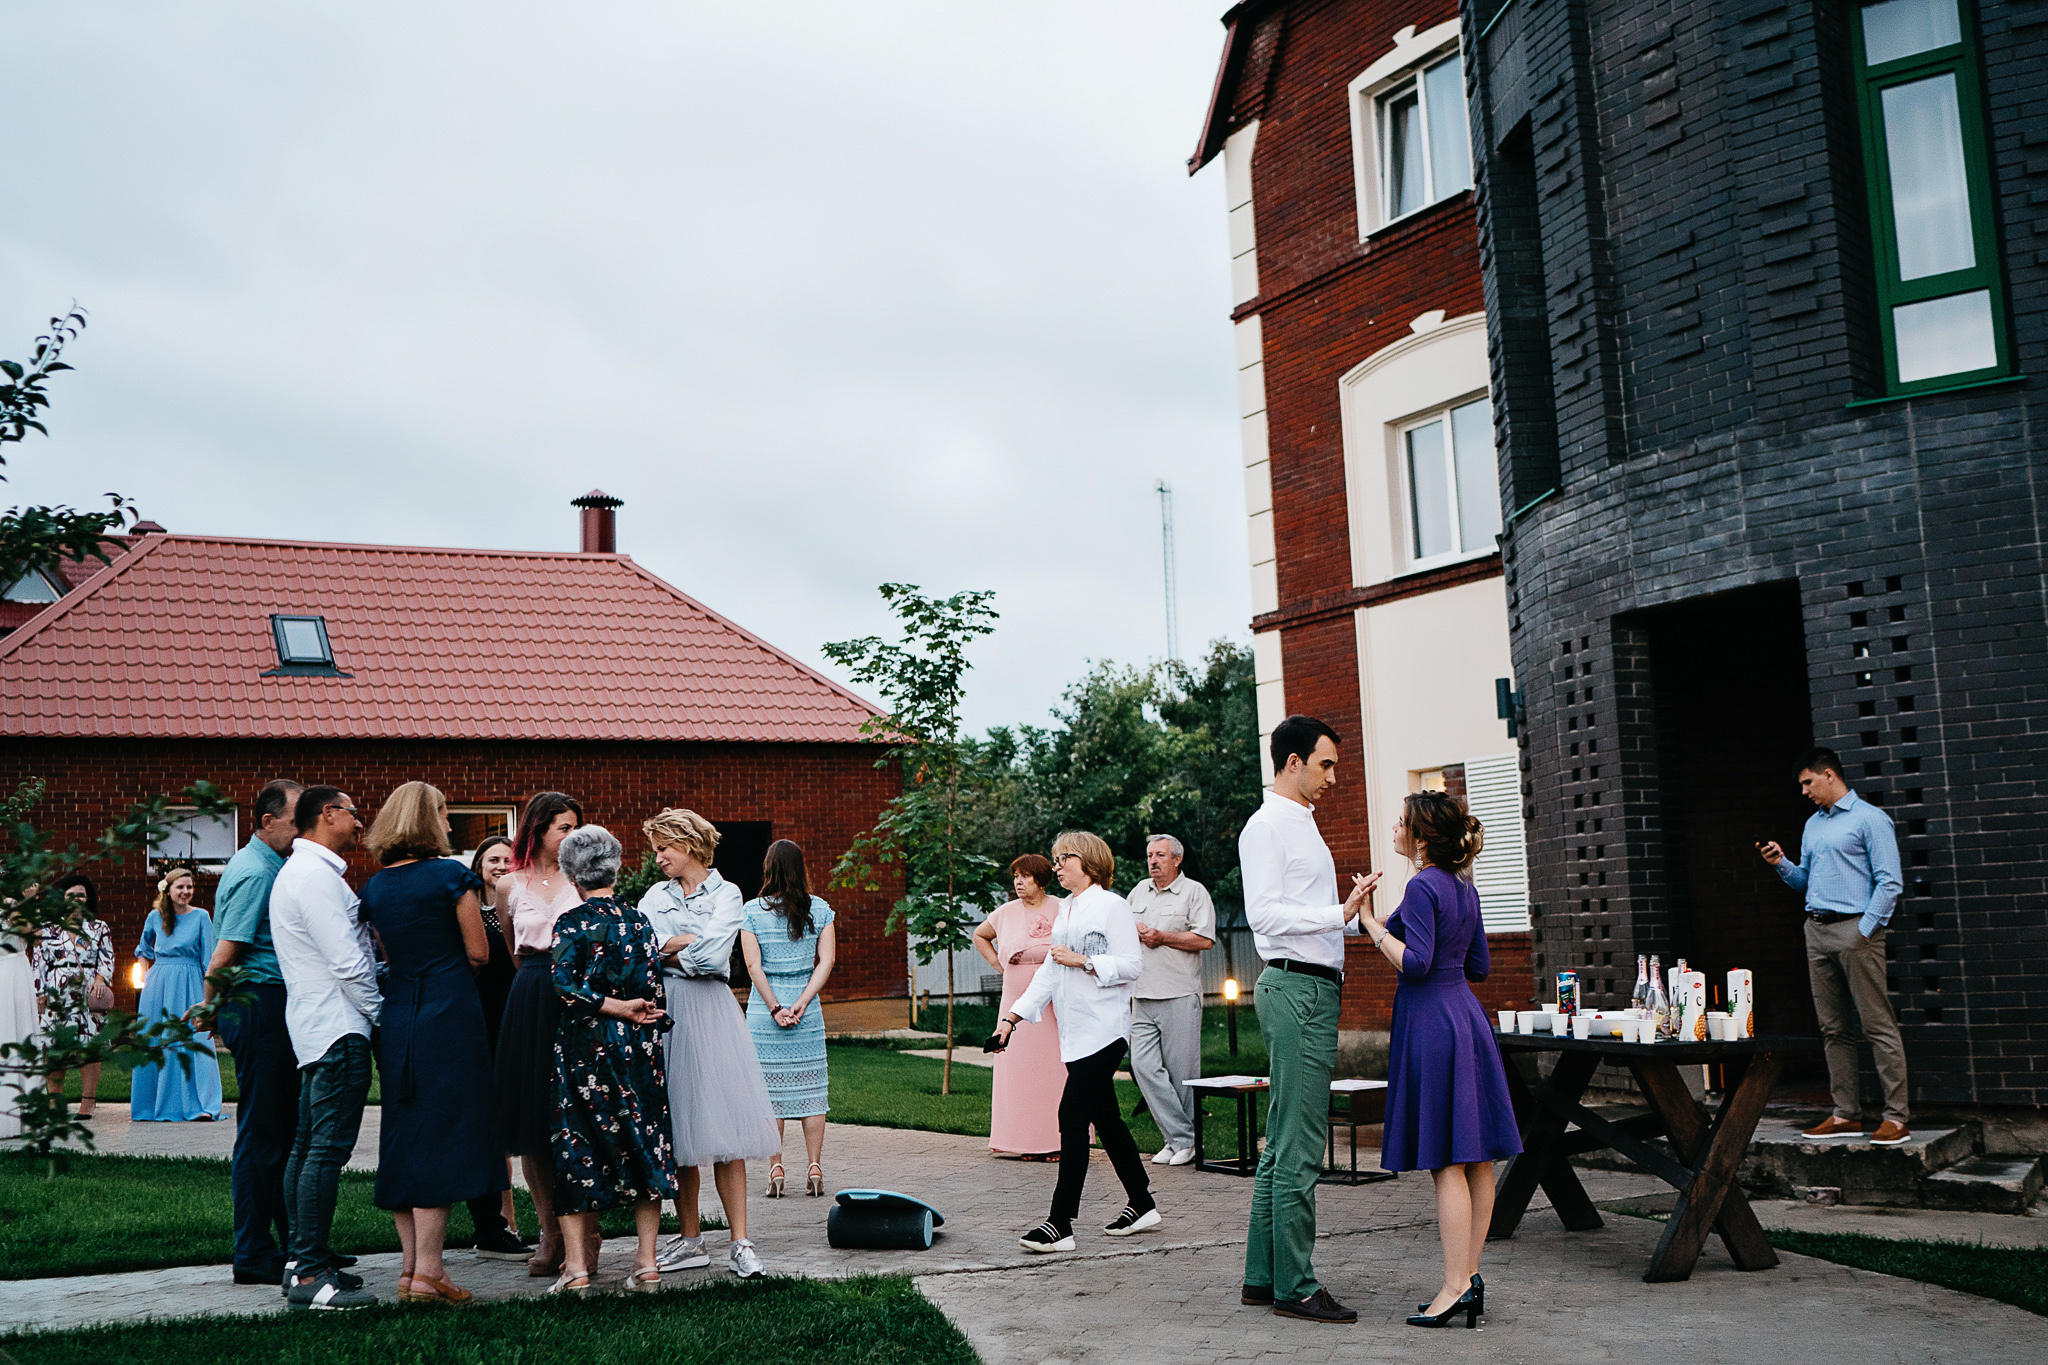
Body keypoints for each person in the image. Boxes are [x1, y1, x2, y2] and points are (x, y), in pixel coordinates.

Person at [1358, 792, 1521, 1329]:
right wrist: (1375, 919)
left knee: (1447, 1160)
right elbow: (1478, 965)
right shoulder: (1462, 889)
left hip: (1432, 1024)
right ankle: (1469, 1277)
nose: (1395, 827)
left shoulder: (1422, 885)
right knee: (1476, 1158)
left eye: (1401, 822)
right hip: (1468, 1021)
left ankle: (1453, 1287)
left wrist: (1375, 928)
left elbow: (1418, 963)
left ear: (1421, 838)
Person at [1236, 714, 1379, 1324]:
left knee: (1282, 1144)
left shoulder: (1299, 822)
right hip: (1298, 991)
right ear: (1291, 762)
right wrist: (1338, 912)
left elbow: (1300, 912)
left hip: (1306, 986)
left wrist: (1347, 914)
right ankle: (1296, 1287)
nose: (1333, 778)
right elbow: (1264, 916)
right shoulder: (1268, 825)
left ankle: (1263, 1279)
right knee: (1299, 1145)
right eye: (1325, 765)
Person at [359, 781, 507, 1304]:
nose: (450, 823)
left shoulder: (375, 886)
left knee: (404, 1131)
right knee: (445, 1132)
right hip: (448, 1009)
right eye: (445, 814)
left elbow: (385, 951)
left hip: (399, 1010)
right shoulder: (450, 875)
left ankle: (408, 1270)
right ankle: (431, 1271)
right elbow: (480, 952)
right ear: (429, 819)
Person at [994, 830, 1159, 1253]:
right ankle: (1141, 1203)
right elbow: (1050, 971)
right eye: (1055, 858)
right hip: (1076, 1034)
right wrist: (1012, 1018)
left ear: (1086, 861)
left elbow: (1132, 965)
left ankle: (1059, 1223)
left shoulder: (1113, 906)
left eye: (1062, 857)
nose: (1056, 866)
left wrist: (1085, 961)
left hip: (1105, 1031)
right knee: (1106, 1120)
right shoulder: (1066, 910)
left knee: (1071, 1117)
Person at [636, 808, 778, 1279]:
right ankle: (691, 1238)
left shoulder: (729, 892)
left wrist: (674, 947)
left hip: (714, 1012)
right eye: (655, 848)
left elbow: (715, 955)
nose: (657, 858)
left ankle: (740, 1241)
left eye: (664, 847)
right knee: (680, 1130)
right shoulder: (654, 895)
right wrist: (679, 945)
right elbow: (641, 950)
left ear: (691, 845)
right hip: (668, 1013)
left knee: (725, 1128)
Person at [548, 825, 679, 1294]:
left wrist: (611, 1006)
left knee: (576, 1142)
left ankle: (578, 1268)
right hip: (638, 1044)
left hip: (585, 1048)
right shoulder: (640, 921)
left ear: (571, 873)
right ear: (616, 867)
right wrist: (633, 1010)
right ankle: (646, 1262)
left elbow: (563, 987)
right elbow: (653, 988)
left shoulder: (570, 922)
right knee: (645, 1141)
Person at [1759, 747, 1910, 1145]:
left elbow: (1890, 881)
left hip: (1855, 931)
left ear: (1829, 774)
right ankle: (1846, 1114)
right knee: (1833, 1028)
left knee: (1877, 1025)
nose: (1804, 791)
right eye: (1802, 785)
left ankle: (1896, 1118)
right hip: (1817, 931)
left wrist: (1865, 930)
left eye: (1808, 782)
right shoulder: (1813, 826)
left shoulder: (1869, 819)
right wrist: (1780, 863)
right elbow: (1804, 882)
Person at [273, 786, 381, 1311]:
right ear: (328, 815)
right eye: (354, 814)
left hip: (316, 1026)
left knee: (305, 1145)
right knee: (325, 1152)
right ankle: (312, 1274)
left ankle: (300, 1260)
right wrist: (381, 1015)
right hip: (338, 1027)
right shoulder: (314, 877)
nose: (360, 823)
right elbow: (348, 962)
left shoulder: (305, 872)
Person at [204, 777, 304, 1286]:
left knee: (283, 1133)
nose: (301, 830)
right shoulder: (254, 870)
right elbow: (228, 948)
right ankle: (252, 1252)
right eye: (294, 820)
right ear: (267, 822)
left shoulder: (274, 864)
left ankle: (294, 1247)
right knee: (263, 1135)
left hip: (270, 1003)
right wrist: (206, 1007)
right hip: (258, 1004)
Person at [492, 791, 585, 1278]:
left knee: (580, 1114)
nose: (569, 835)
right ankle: (550, 1230)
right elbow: (513, 950)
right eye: (561, 827)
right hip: (531, 993)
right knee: (533, 1119)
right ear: (538, 831)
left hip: (581, 1000)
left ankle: (584, 1232)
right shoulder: (509, 886)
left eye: (574, 827)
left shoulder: (584, 880)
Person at [739, 839, 837, 1198]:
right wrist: (802, 1002)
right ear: (801, 868)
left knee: (770, 1095)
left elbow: (752, 966)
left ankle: (776, 1168)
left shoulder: (751, 912)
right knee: (813, 1092)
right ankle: (814, 1167)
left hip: (765, 1014)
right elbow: (825, 962)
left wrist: (775, 1007)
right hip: (807, 1009)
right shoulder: (821, 910)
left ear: (768, 869)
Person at [1124, 834, 1216, 1166]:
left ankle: (1180, 1142)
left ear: (1177, 859)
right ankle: (1179, 1137)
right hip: (1141, 994)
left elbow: (1205, 940)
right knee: (1142, 1067)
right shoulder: (1138, 891)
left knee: (1181, 1073)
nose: (1153, 861)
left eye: (1160, 855)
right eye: (1149, 855)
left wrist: (1162, 937)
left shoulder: (1194, 892)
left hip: (1178, 992)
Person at [972, 855, 1064, 1159]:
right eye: (1015, 876)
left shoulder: (1062, 908)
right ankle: (1022, 1140)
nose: (1018, 882)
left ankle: (1056, 1141)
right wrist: (998, 964)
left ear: (1041, 879)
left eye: (1025, 876)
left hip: (1053, 997)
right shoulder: (1005, 912)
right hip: (1015, 994)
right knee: (1019, 1067)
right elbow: (980, 936)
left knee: (1054, 1068)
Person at [465, 834, 528, 1256]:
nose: (501, 865)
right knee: (493, 1128)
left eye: (508, 858)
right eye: (493, 859)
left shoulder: (522, 905)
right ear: (479, 865)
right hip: (482, 1021)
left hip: (518, 1013)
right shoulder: (470, 909)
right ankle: (505, 1220)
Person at [127, 868, 225, 1121]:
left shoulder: (202, 916)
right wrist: (145, 974)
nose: (185, 892)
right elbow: (143, 948)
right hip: (158, 984)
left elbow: (209, 959)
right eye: (180, 887)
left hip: (191, 982)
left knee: (195, 1039)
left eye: (189, 887)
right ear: (168, 890)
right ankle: (151, 1104)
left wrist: (209, 997)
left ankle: (202, 1105)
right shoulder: (154, 917)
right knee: (156, 1038)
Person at [31, 875, 116, 1119]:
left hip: (88, 992)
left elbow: (107, 958)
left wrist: (100, 980)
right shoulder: (48, 929)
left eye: (81, 895)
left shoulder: (99, 928)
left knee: (88, 1048)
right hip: (56, 992)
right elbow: (38, 961)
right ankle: (54, 1100)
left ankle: (88, 1101)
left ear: (87, 898)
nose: (76, 900)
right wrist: (39, 993)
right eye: (70, 896)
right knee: (53, 1048)